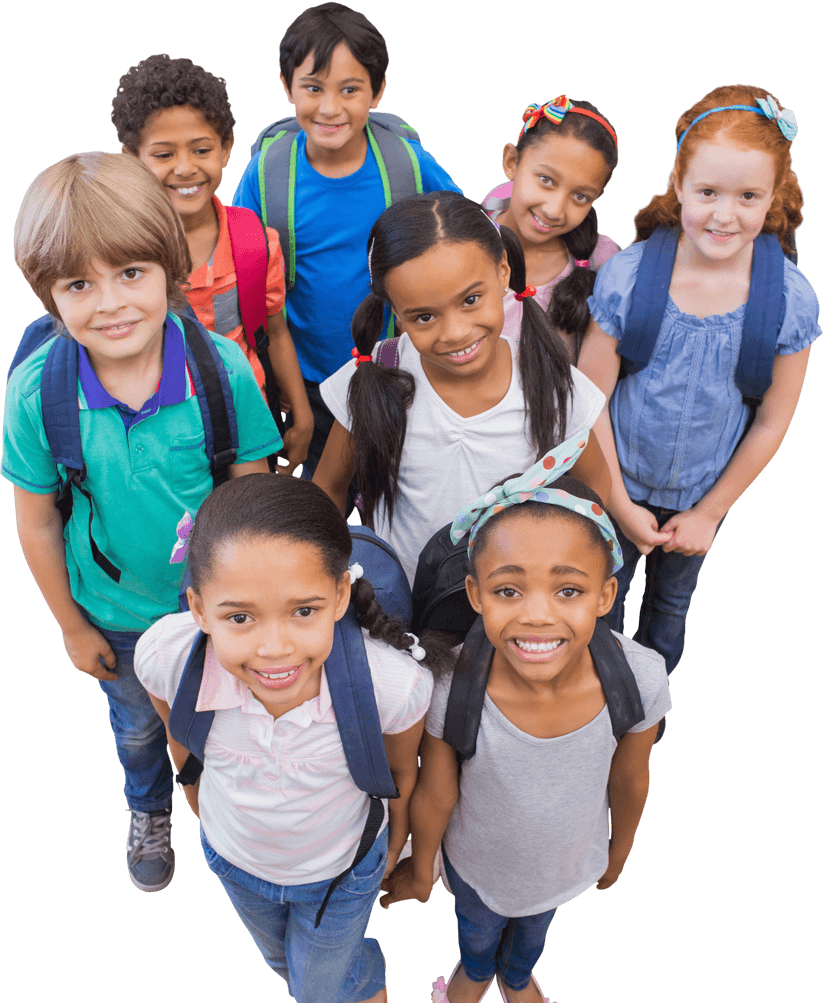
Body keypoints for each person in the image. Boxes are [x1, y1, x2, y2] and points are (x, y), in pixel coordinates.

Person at [3, 153, 282, 891]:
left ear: (169, 268)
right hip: (115, 613)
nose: (110, 304)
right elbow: (36, 522)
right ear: (48, 295)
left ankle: (231, 814)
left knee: (226, 718)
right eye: (78, 285)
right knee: (136, 729)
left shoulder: (221, 370)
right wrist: (71, 626)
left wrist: (255, 608)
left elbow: (253, 496)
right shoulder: (35, 395)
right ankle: (148, 807)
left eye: (130, 273)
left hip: (216, 608)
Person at [134, 473, 448, 1003]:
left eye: (303, 611)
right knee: (282, 959)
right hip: (235, 859)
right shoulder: (167, 655)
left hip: (341, 868)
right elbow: (178, 734)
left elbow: (399, 770)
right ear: (198, 609)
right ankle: (332, 985)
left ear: (339, 595)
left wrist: (397, 842)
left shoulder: (391, 684)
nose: (274, 648)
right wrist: (196, 796)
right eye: (239, 617)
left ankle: (356, 984)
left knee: (311, 977)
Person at [380, 440, 671, 1003]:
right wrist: (423, 867)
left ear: (605, 595)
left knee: (534, 934)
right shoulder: (453, 683)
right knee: (476, 930)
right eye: (509, 591)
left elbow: (631, 778)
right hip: (474, 867)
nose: (537, 616)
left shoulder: (639, 678)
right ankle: (475, 972)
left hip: (564, 865)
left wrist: (618, 852)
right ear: (476, 594)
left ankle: (517, 978)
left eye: (568, 591)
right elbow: (437, 789)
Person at [578, 83, 820, 673]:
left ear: (773, 196)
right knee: (597, 613)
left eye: (748, 196)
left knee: (668, 615)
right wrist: (617, 501)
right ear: (678, 183)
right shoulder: (629, 277)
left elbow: (772, 422)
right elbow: (588, 399)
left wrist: (709, 513)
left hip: (704, 496)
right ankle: (598, 709)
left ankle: (649, 711)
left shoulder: (788, 302)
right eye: (708, 191)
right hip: (614, 485)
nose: (724, 214)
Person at [313, 190, 610, 584]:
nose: (455, 332)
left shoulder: (552, 383)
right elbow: (329, 490)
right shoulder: (375, 374)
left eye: (471, 299)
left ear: (503, 272)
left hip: (504, 608)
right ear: (396, 312)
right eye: (423, 317)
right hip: (396, 605)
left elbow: (594, 485)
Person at [232, 2, 461, 476]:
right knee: (319, 504)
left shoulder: (406, 163)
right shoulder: (268, 172)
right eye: (313, 88)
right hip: (305, 386)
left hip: (397, 378)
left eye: (350, 89)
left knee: (398, 499)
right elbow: (240, 265)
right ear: (286, 86)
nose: (330, 108)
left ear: (378, 91)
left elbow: (465, 232)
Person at [111, 53, 314, 474]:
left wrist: (302, 412)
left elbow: (274, 332)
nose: (186, 168)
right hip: (162, 445)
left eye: (201, 149)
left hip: (248, 430)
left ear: (226, 148)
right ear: (132, 159)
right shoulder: (119, 252)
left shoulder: (255, 243)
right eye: (163, 155)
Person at [483, 95, 620, 359]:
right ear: (511, 162)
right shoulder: (460, 240)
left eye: (580, 196)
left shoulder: (603, 262)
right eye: (546, 180)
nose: (554, 210)